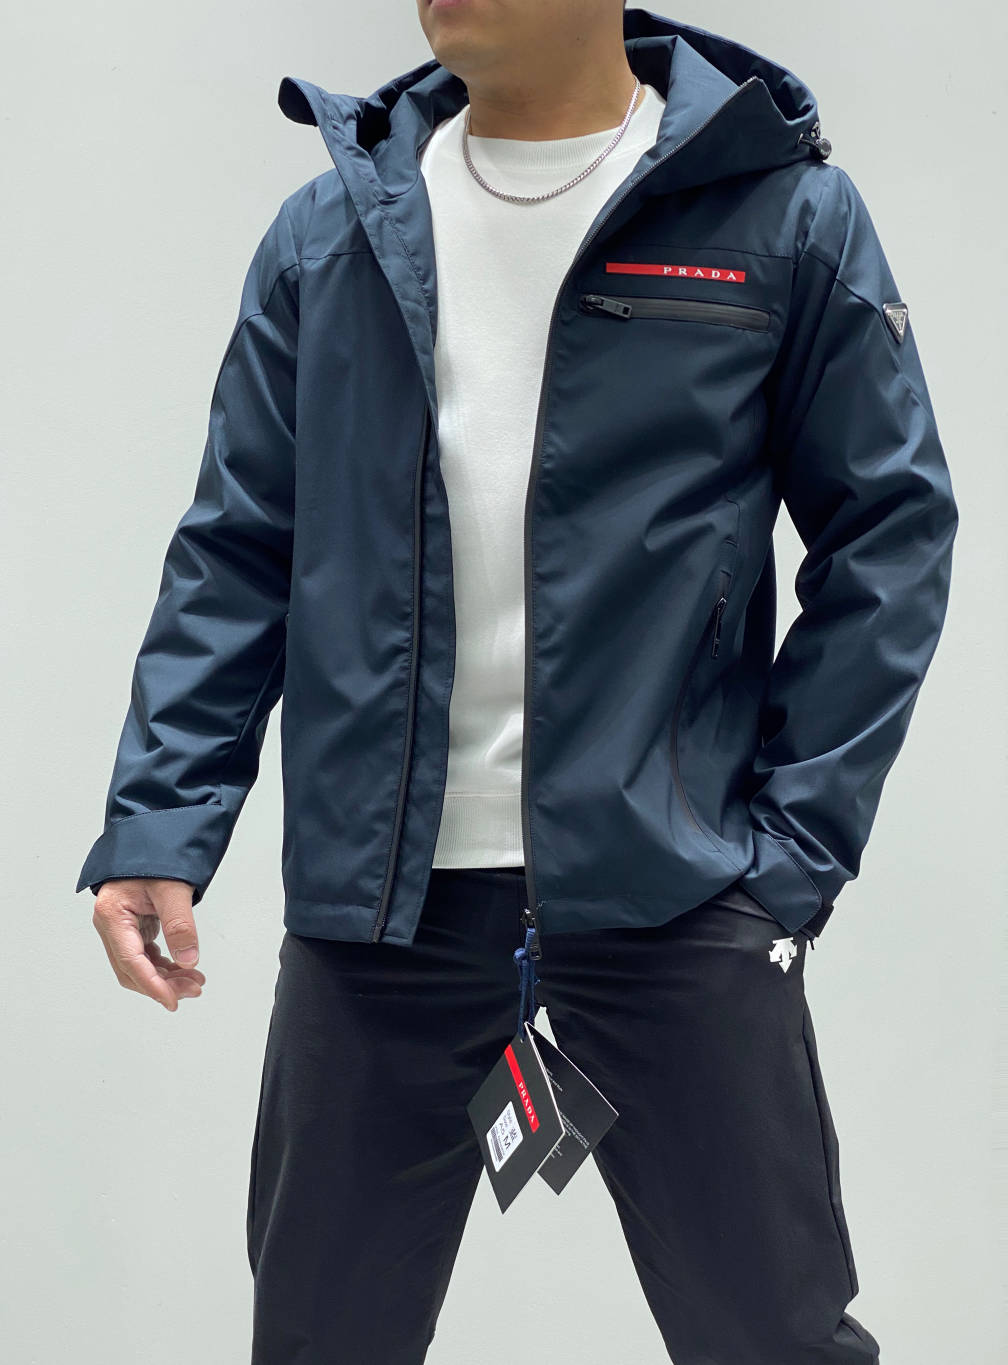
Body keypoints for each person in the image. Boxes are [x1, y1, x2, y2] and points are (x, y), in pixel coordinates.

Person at [77, 4, 957, 1362]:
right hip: (379, 916)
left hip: (674, 896)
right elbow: (239, 550)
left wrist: (789, 857)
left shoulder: (780, 218)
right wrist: (158, 822)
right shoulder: (330, 235)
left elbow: (890, 532)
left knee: (773, 1340)